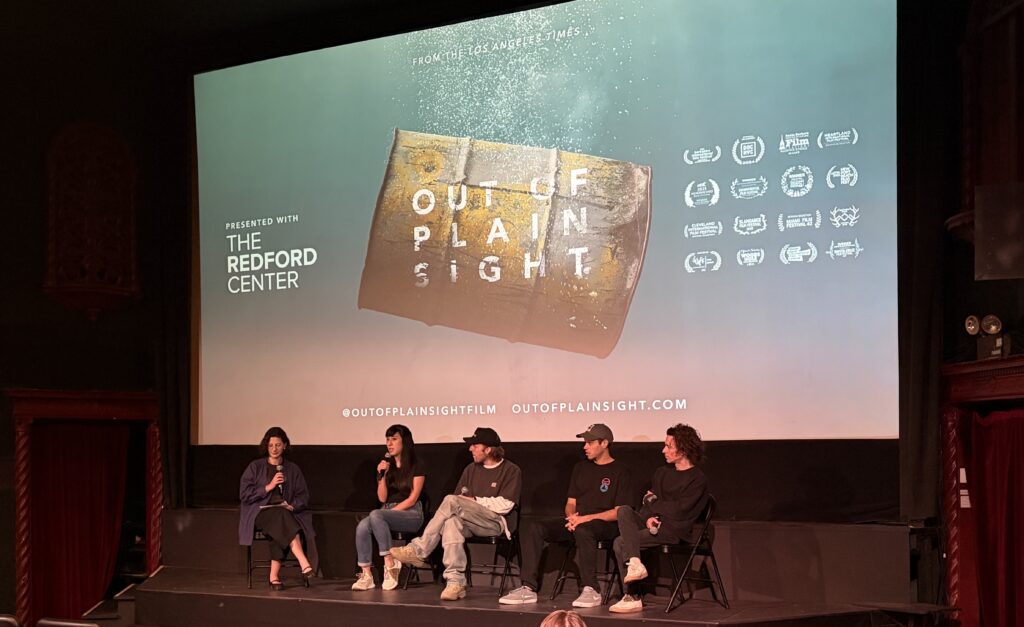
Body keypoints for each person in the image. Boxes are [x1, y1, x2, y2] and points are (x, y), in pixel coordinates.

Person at [500, 423, 632, 608]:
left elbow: (619, 512)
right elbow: (571, 503)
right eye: (584, 442)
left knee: (584, 530)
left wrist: (583, 520)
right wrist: (571, 518)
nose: (585, 446)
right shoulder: (580, 468)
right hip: (578, 521)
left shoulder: (621, 471)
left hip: (605, 524)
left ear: (604, 443)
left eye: (590, 442)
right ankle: (528, 587)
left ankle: (591, 589)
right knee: (534, 527)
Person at [390, 427, 522, 601]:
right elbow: (458, 502)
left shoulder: (511, 470)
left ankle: (419, 549)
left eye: (475, 446)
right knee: (451, 522)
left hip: (495, 523)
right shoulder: (470, 469)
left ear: (488, 449)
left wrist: (474, 500)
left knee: (451, 500)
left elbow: (505, 505)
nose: (470, 449)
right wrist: (467, 502)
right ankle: (455, 582)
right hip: (470, 521)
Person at [608, 423, 709, 613]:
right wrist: (648, 517)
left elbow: (681, 510)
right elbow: (646, 504)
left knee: (620, 542)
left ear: (684, 449)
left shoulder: (697, 479)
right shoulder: (662, 472)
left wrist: (654, 504)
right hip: (655, 524)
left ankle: (632, 596)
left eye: (669, 446)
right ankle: (635, 564)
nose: (664, 450)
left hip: (674, 530)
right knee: (624, 511)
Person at [238, 426, 317, 590]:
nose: (274, 449)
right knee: (281, 519)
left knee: (281, 523)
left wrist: (292, 505)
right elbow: (244, 494)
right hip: (260, 512)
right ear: (266, 447)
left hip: (285, 513)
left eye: (278, 445)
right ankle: (303, 560)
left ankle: (274, 577)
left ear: (285, 446)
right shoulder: (255, 467)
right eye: (271, 445)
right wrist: (269, 486)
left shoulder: (293, 469)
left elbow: (303, 495)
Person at [352, 424, 426, 591]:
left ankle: (390, 563)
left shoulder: (416, 464)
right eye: (387, 440)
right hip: (387, 511)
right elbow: (382, 498)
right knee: (362, 526)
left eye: (394, 439)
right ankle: (366, 575)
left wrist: (386, 513)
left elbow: (413, 498)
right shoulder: (387, 465)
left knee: (376, 515)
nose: (389, 444)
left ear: (404, 441)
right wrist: (382, 476)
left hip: (411, 513)